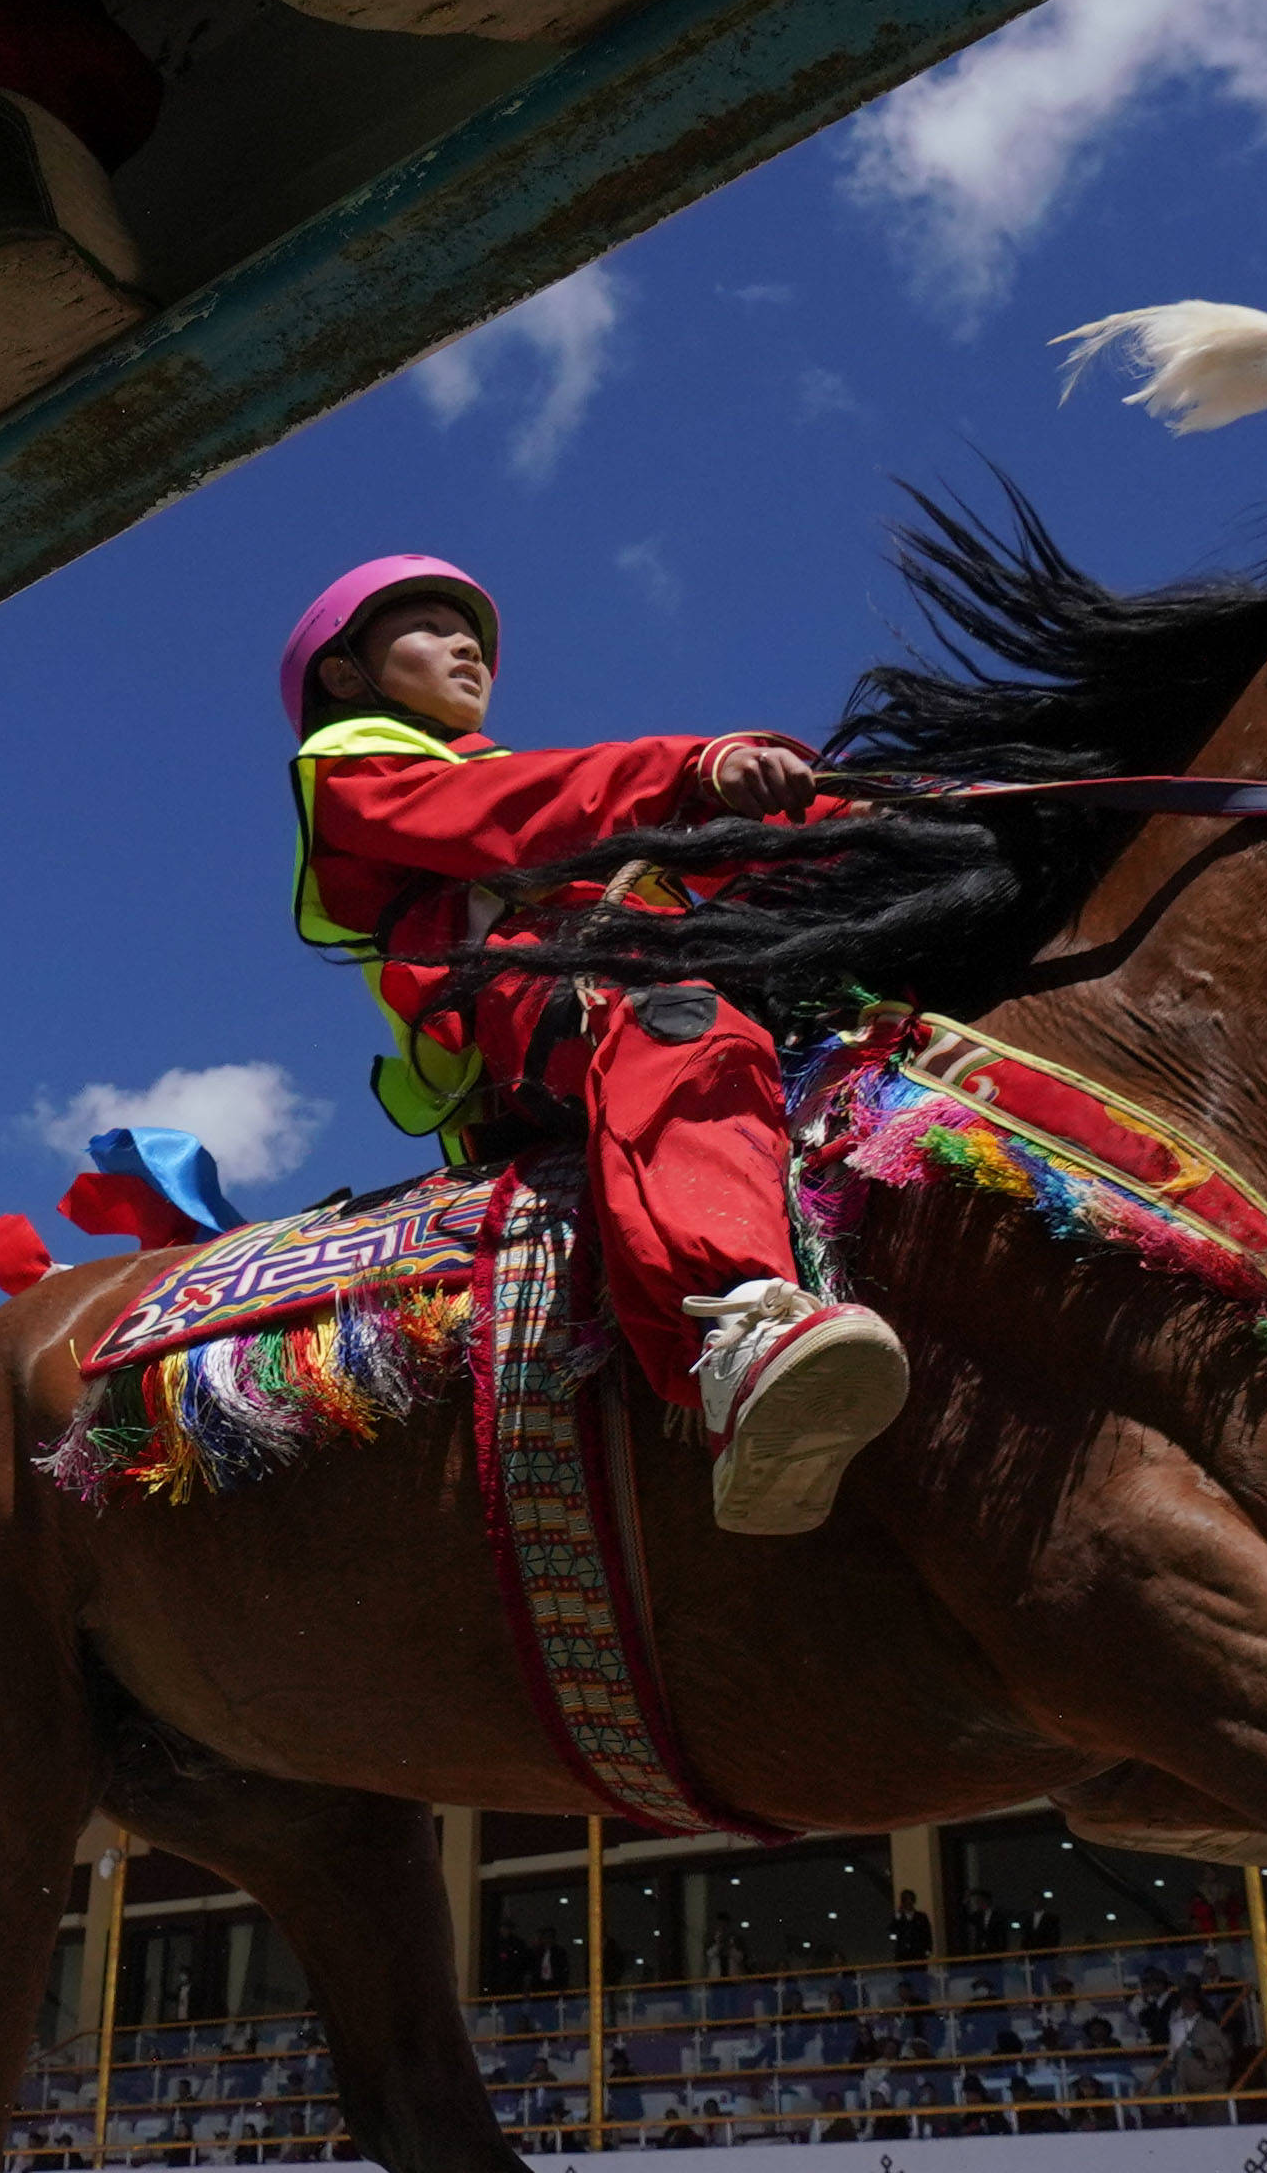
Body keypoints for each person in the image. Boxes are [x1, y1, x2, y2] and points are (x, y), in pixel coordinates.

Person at [277, 558, 911, 1532]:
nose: (464, 647)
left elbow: (691, 838)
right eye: (429, 626)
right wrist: (694, 773)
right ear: (346, 677)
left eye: (472, 633)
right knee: (675, 1021)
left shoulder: (500, 772)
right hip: (534, 998)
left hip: (629, 953)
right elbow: (531, 807)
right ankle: (733, 1338)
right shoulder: (355, 771)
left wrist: (862, 816)